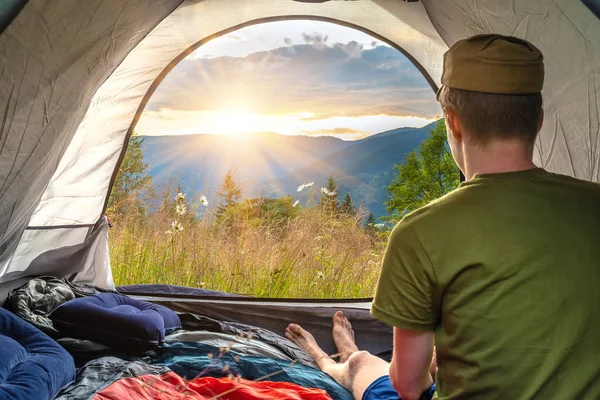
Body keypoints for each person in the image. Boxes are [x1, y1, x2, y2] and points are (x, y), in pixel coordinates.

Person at [286, 34, 600, 400]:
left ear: (453, 124)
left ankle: (335, 362)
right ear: (540, 120)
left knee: (368, 369)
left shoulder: (421, 231)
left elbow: (408, 386)